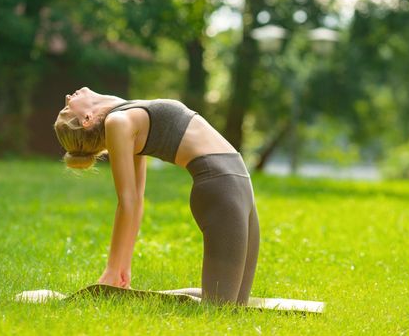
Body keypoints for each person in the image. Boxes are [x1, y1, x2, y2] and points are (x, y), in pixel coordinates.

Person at [53, 87, 260, 305]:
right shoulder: (117, 123)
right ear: (87, 119)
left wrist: (125, 267)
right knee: (221, 310)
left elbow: (138, 200)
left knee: (236, 304)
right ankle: (109, 298)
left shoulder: (128, 113)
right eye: (67, 109)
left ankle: (130, 296)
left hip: (240, 186)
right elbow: (128, 202)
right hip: (220, 189)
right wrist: (115, 268)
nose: (67, 97)